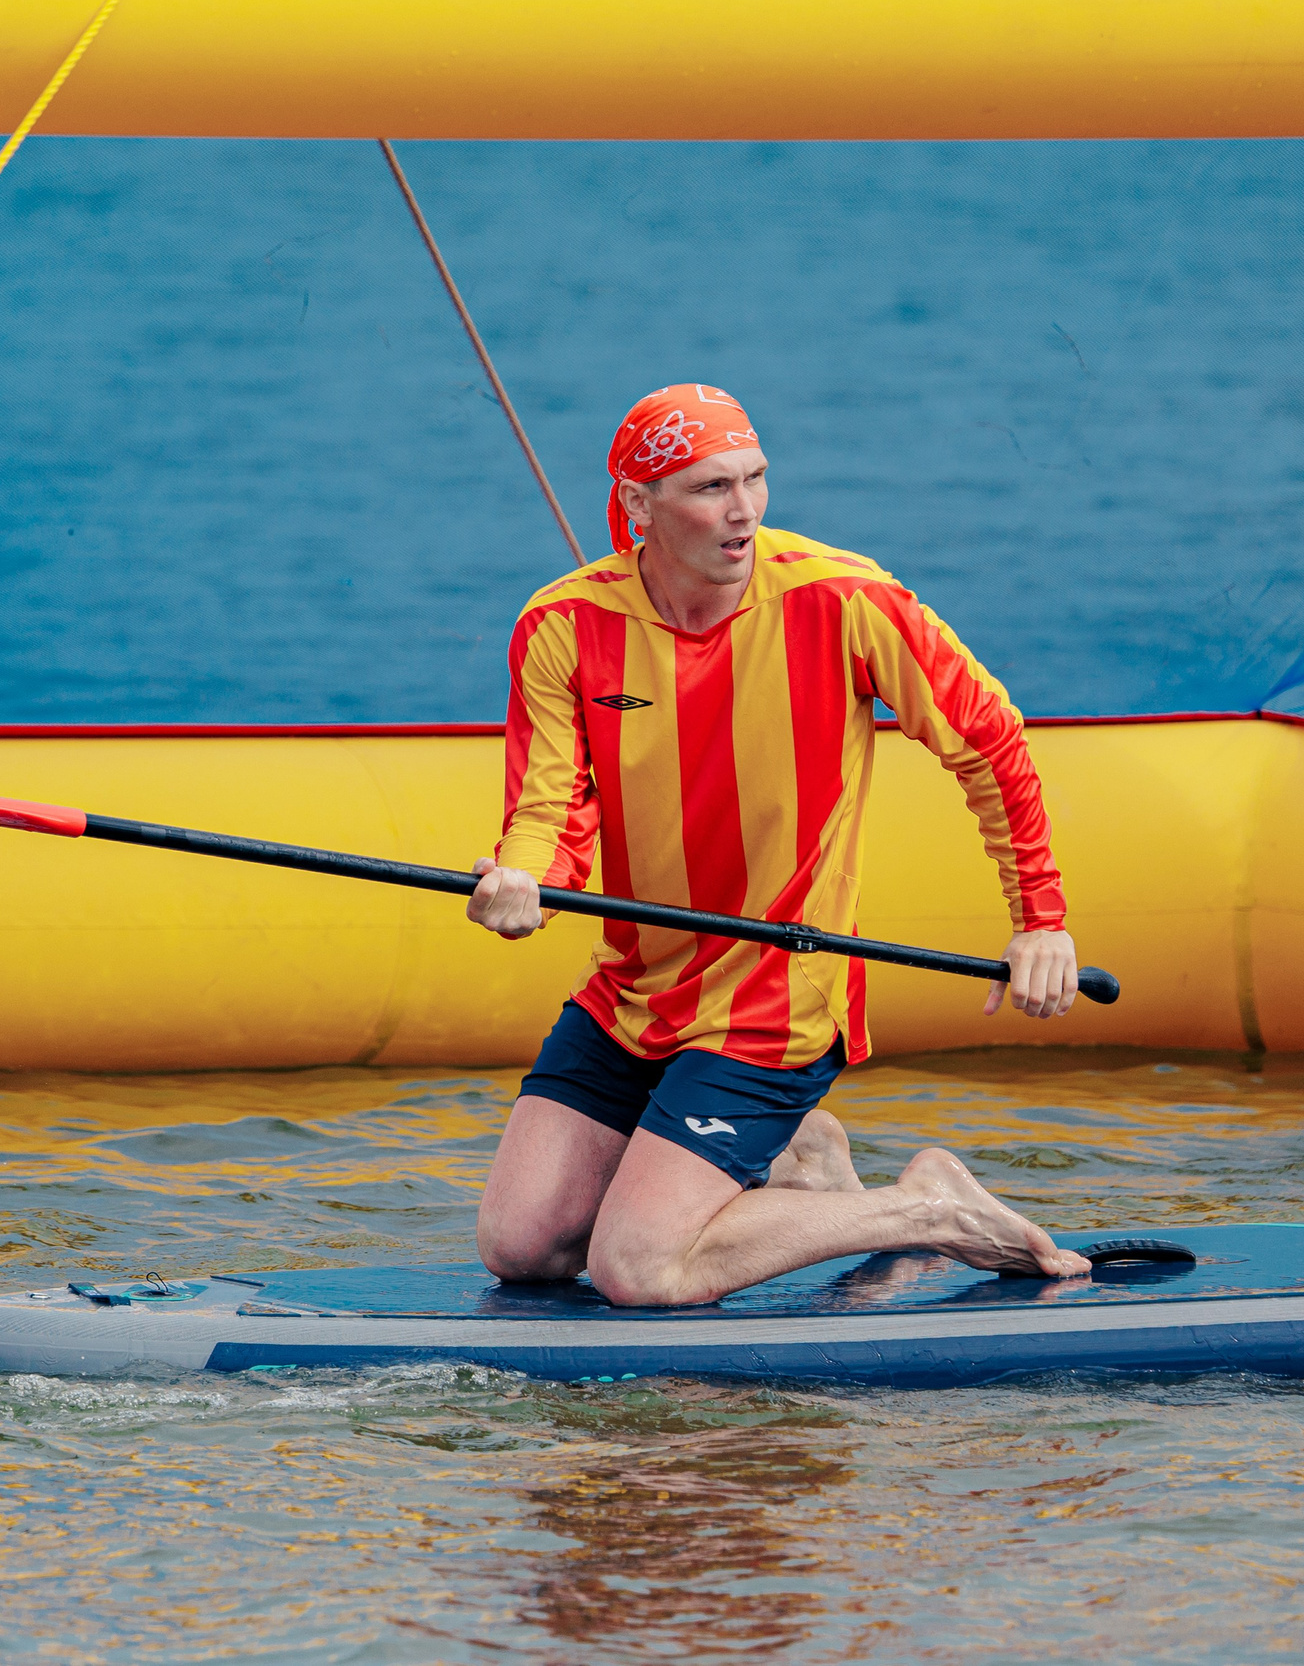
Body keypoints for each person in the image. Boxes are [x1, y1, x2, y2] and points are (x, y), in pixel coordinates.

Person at [468, 383, 1091, 1306]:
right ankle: (805, 1159)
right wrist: (521, 879)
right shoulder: (561, 625)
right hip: (635, 988)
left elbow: (989, 737)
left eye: (755, 478)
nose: (745, 509)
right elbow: (549, 811)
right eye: (711, 487)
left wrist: (1040, 918)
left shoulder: (845, 598)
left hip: (777, 993)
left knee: (639, 1268)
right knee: (520, 1244)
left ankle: (926, 1206)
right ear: (639, 503)